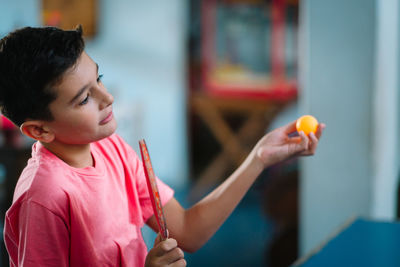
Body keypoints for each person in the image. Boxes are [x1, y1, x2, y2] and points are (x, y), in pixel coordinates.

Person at [0, 26, 325, 267]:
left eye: (99, 79)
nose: (107, 97)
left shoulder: (111, 147)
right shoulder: (44, 197)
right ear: (39, 130)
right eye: (85, 98)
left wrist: (259, 157)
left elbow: (187, 231)